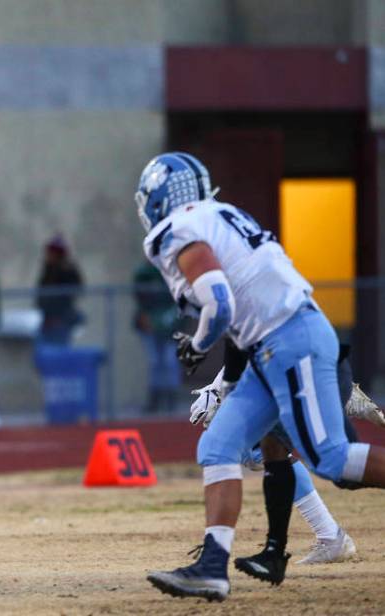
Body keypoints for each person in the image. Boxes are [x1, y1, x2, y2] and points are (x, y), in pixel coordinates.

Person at [136, 152, 385, 602]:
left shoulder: (178, 230)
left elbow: (220, 303)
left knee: (330, 457)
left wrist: (196, 345)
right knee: (218, 446)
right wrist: (224, 383)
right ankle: (213, 567)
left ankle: (296, 543)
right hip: (270, 344)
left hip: (289, 337)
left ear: (159, 196)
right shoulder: (221, 214)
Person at [188, 340, 367, 586]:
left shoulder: (239, 307)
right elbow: (247, 342)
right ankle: (309, 540)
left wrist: (218, 392)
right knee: (260, 449)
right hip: (288, 363)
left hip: (295, 363)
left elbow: (254, 338)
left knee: (336, 462)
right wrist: (218, 390)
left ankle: (218, 560)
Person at [132, 261, 180, 414]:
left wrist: (168, 324)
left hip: (169, 329)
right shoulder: (144, 273)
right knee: (155, 363)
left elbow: (179, 305)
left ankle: (171, 399)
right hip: (150, 329)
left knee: (169, 361)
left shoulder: (173, 272)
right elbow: (140, 301)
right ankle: (155, 400)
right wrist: (146, 319)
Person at [36, 233, 83, 345]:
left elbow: (75, 290)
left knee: (59, 346)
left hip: (61, 319)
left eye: (52, 252)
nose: (48, 255)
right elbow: (41, 289)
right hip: (47, 319)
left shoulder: (67, 269)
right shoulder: (48, 268)